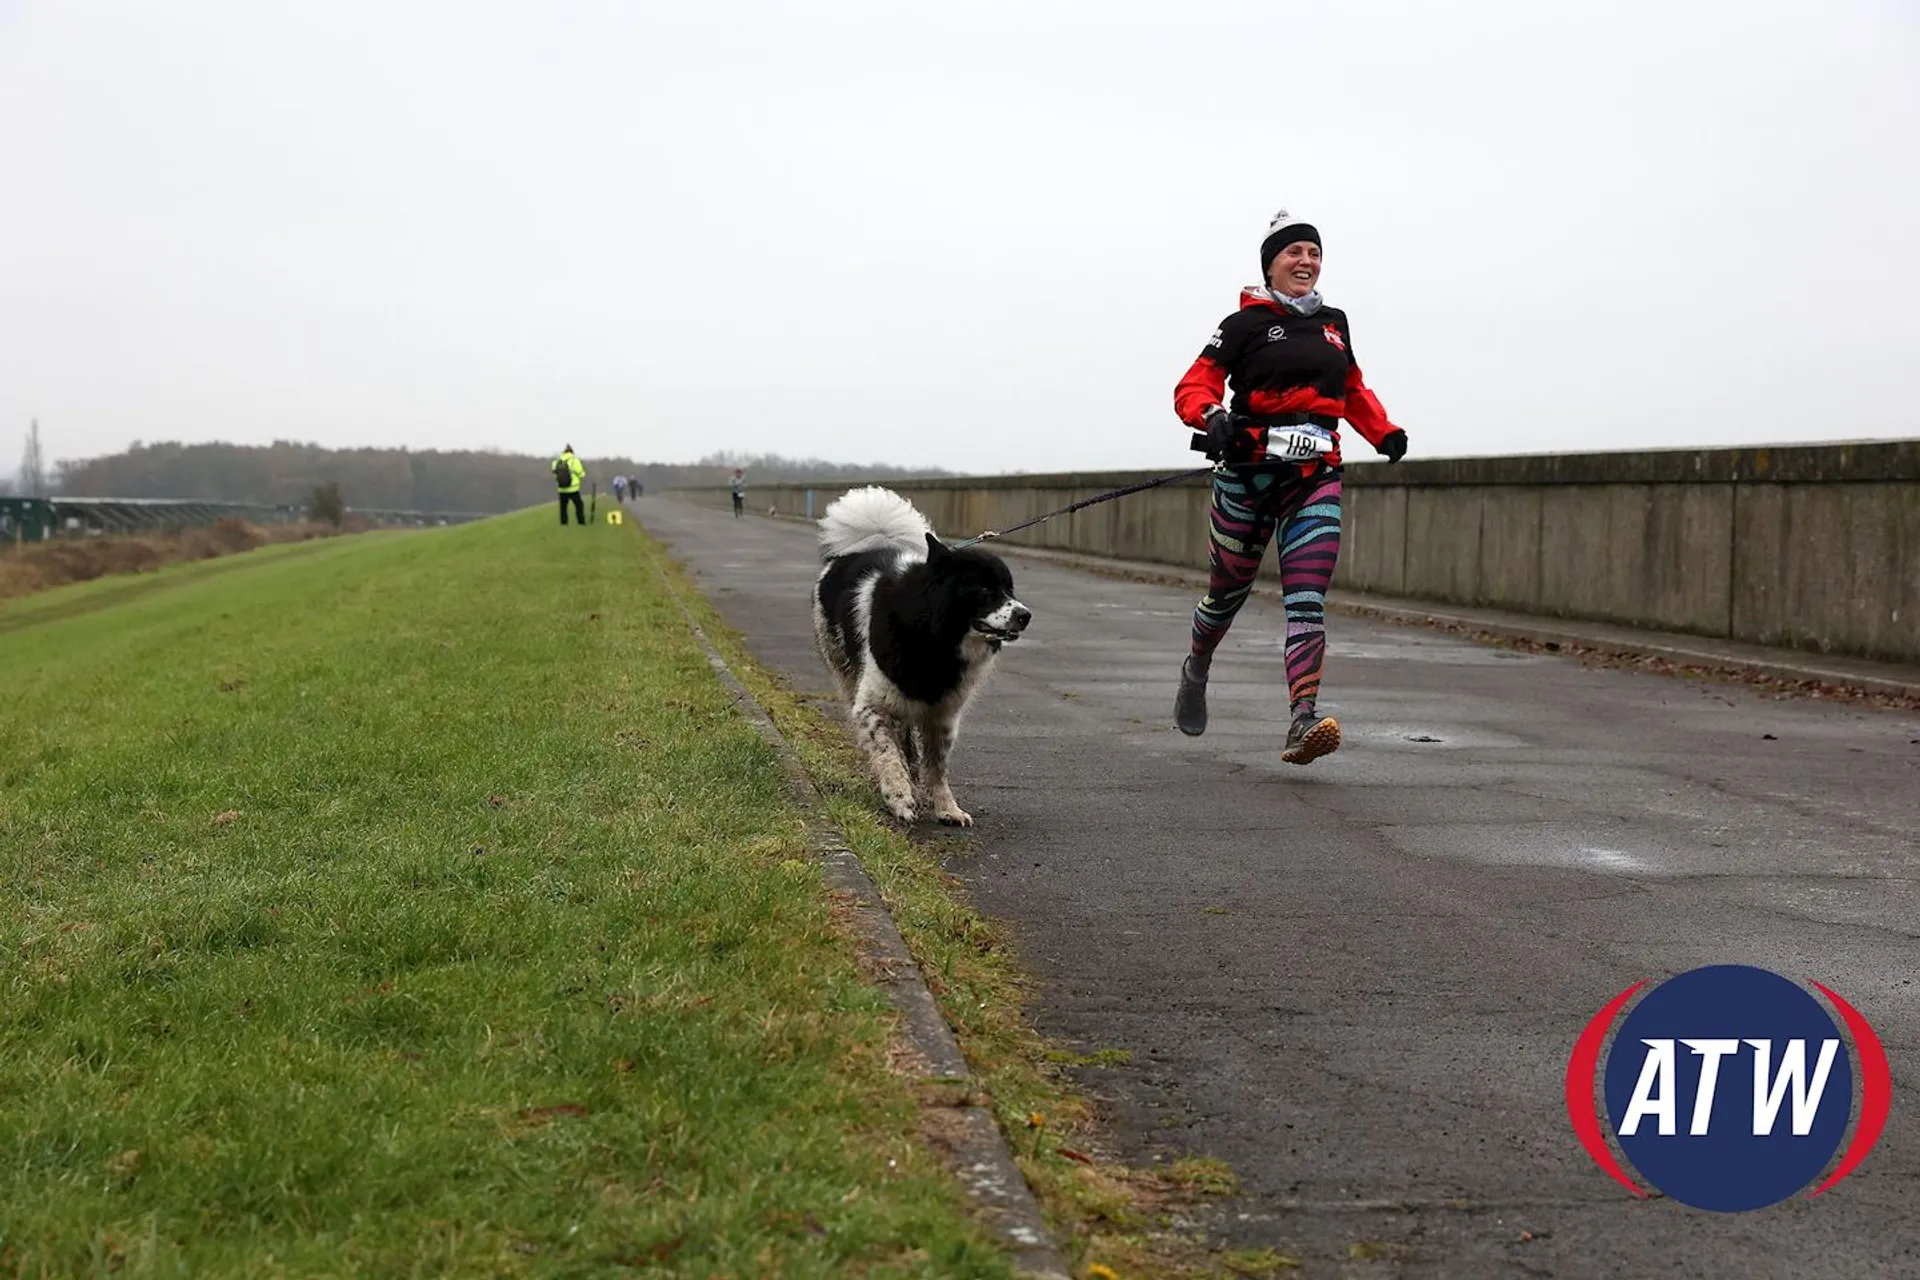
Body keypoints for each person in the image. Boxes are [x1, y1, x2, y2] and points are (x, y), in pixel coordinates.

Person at [1170, 209, 1409, 765]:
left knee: (1307, 602)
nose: (1306, 261)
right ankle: (1196, 667)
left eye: (1314, 253)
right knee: (1225, 595)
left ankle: (1302, 720)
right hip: (1246, 478)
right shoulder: (1243, 325)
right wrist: (1209, 415)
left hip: (1315, 478)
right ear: (1270, 265)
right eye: (1294, 253)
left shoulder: (1335, 322)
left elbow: (1350, 387)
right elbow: (1195, 383)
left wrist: (1383, 430)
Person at [551, 445, 587, 525]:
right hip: (573, 488)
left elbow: (554, 472)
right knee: (579, 505)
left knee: (563, 507)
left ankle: (564, 523)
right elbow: (581, 474)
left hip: (562, 488)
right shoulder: (574, 461)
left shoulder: (557, 461)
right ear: (572, 452)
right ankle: (581, 522)